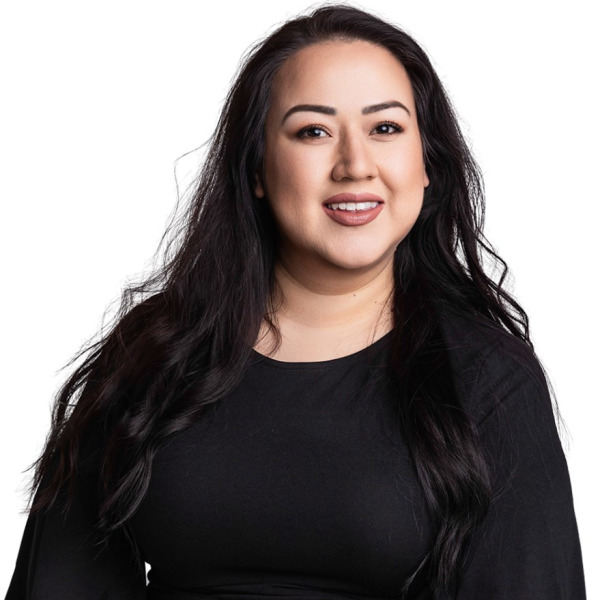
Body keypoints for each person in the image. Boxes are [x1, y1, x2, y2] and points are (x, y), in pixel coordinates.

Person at [5, 4, 586, 600]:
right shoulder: (154, 352)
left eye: (385, 128)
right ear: (257, 167)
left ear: (426, 163)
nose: (355, 165)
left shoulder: (489, 377)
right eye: (313, 131)